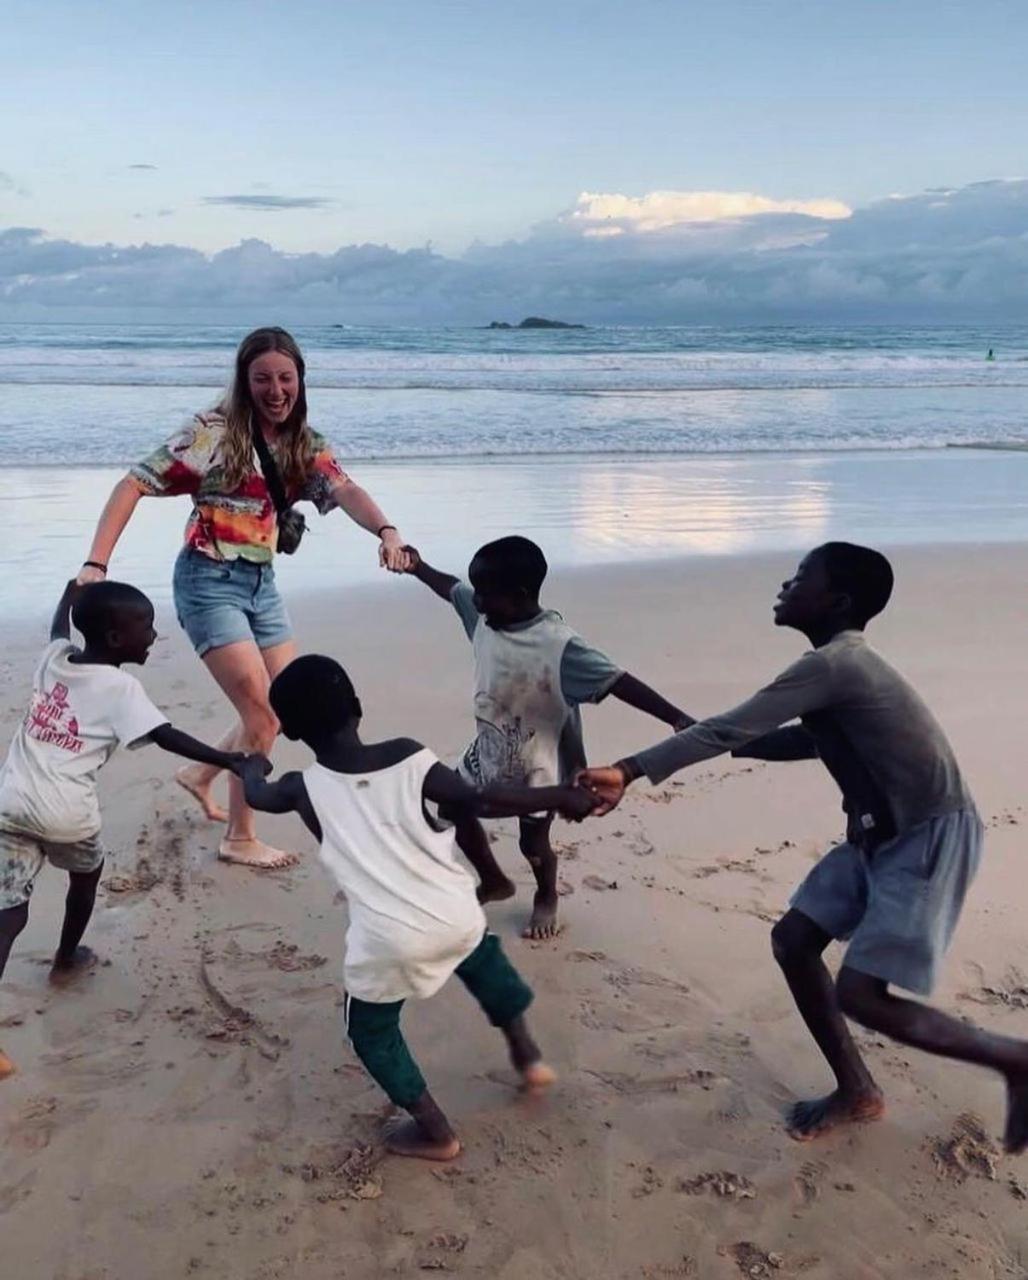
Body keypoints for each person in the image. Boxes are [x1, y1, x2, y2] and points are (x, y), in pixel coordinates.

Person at [580, 542, 1028, 1154]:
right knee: (794, 941)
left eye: (799, 579)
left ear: (837, 601)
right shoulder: (837, 671)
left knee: (863, 996)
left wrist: (630, 768)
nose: (785, 587)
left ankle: (1014, 1059)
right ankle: (858, 1091)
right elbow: (807, 741)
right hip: (876, 835)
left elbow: (736, 724)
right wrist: (726, 741)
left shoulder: (836, 664)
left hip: (924, 836)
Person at [237, 654, 597, 1160]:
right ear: (358, 707)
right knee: (482, 960)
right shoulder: (409, 756)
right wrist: (560, 794)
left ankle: (436, 1132)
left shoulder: (302, 790)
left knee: (370, 1030)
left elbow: (258, 794)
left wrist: (251, 765)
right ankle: (528, 1055)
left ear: (291, 732)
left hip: (390, 938)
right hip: (454, 909)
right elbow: (480, 799)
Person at [77, 326, 410, 870]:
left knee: (292, 702)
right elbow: (133, 484)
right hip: (207, 583)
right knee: (262, 718)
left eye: (286, 378)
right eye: (262, 379)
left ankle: (202, 772)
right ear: (244, 380)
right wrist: (96, 564)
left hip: (261, 585)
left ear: (301, 380)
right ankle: (239, 836)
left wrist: (389, 532)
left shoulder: (306, 443)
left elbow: (345, 489)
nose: (276, 390)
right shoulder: (212, 434)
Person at [0, 580, 255, 1080]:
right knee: (86, 874)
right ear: (117, 640)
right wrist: (229, 759)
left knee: (9, 910)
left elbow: (57, 628)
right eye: (146, 628)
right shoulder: (121, 688)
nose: (154, 635)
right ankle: (68, 955)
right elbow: (165, 736)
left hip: (9, 803)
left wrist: (71, 591)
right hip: (66, 812)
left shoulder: (54, 659)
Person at [401, 535, 692, 939]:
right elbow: (451, 588)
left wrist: (676, 717)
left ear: (519, 595)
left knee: (532, 843)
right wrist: (418, 567)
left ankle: (546, 895)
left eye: (487, 595)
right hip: (487, 750)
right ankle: (493, 880)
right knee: (452, 807)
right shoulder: (484, 616)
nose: (478, 602)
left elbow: (620, 682)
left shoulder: (559, 647)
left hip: (539, 764)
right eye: (478, 593)